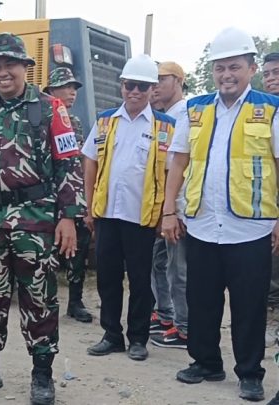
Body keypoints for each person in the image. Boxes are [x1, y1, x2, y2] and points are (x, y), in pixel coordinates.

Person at [0, 32, 84, 405]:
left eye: (10, 64)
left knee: (39, 299)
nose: (3, 72)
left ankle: (42, 375)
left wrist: (68, 217)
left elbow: (68, 164)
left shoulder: (51, 109)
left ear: (25, 66)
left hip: (35, 220)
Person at [162, 27, 279, 402]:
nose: (226, 75)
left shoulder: (271, 109)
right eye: (220, 68)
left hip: (251, 227)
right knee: (202, 300)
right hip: (201, 224)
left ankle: (250, 373)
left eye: (234, 67)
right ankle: (206, 362)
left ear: (251, 68)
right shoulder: (195, 110)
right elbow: (178, 162)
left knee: (249, 306)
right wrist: (169, 211)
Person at [83, 54, 176, 362]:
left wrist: (167, 214)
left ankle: (138, 338)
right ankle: (111, 335)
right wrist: (89, 207)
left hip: (142, 217)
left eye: (142, 86)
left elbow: (173, 172)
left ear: (152, 90)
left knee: (140, 281)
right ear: (121, 86)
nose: (135, 92)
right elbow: (90, 162)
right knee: (107, 278)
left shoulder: (166, 127)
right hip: (107, 214)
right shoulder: (105, 121)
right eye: (129, 85)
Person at [43, 67, 93, 323]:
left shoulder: (74, 122)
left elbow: (78, 160)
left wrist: (81, 199)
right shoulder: (39, 117)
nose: (72, 92)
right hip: (45, 198)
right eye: (66, 87)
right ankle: (46, 302)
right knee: (46, 253)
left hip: (70, 196)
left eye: (74, 88)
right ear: (52, 90)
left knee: (77, 249)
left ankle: (75, 301)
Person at [148, 62, 190, 350]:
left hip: (178, 205)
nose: (155, 86)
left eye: (161, 80)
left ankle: (185, 328)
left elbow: (180, 166)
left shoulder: (185, 115)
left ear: (178, 80)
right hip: (163, 206)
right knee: (159, 262)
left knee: (179, 269)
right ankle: (165, 314)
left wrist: (173, 208)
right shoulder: (163, 117)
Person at [262, 52, 279, 348]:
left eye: (276, 72)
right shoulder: (261, 112)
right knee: (271, 269)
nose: (271, 78)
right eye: (266, 74)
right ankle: (271, 322)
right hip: (269, 204)